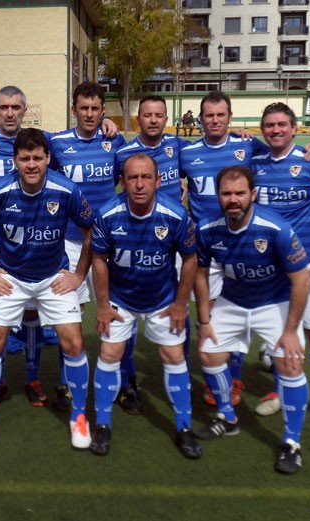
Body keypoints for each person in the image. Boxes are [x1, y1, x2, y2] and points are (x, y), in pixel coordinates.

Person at [181, 91, 310, 406]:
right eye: (209, 115)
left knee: (243, 308)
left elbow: (280, 148)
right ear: (200, 119)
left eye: (220, 115)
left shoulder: (247, 145)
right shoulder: (186, 152)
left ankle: (238, 380)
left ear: (230, 118)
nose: (214, 121)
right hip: (208, 245)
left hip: (244, 243)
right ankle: (223, 381)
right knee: (214, 315)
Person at [0, 128, 95, 448]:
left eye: (38, 157)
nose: (32, 164)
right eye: (25, 158)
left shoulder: (67, 190)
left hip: (53, 276)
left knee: (74, 342)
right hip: (11, 276)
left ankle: (79, 416)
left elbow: (91, 231)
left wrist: (78, 275)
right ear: (15, 161)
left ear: (49, 159)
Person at [194, 165, 310, 475]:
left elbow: (301, 280)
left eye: (240, 193)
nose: (233, 199)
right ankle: (227, 418)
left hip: (275, 303)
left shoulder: (276, 228)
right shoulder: (206, 229)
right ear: (218, 196)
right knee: (208, 351)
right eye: (227, 193)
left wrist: (290, 331)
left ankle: (291, 442)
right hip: (233, 300)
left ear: (253, 195)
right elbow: (201, 274)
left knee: (290, 361)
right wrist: (204, 318)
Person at [90, 154, 200, 458]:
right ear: (123, 182)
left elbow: (191, 258)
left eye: (146, 177)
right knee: (109, 352)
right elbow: (98, 259)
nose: (139, 184)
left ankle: (184, 427)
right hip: (121, 298)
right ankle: (102, 424)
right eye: (133, 178)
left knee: (173, 355)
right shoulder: (108, 214)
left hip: (162, 298)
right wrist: (102, 305)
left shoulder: (176, 215)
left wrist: (180, 303)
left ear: (158, 180)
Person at [251, 102, 310, 427]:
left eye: (281, 124)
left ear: (294, 128)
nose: (275, 130)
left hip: (308, 266)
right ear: (262, 130)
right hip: (271, 269)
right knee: (280, 335)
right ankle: (280, 390)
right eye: (269, 125)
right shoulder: (256, 162)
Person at [46, 81, 126, 410]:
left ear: (103, 111)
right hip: (70, 241)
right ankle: (68, 381)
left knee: (117, 311)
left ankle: (123, 379)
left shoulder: (115, 140)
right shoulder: (58, 143)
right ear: (74, 110)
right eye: (84, 108)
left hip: (107, 242)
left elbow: (131, 176)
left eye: (96, 109)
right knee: (72, 312)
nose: (90, 114)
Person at [112, 95, 191, 414]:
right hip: (132, 235)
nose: (154, 120)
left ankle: (179, 373)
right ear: (138, 119)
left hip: (170, 239)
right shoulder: (122, 152)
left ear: (166, 117)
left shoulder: (181, 146)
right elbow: (114, 189)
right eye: (147, 115)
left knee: (177, 310)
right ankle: (128, 380)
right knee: (126, 313)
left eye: (159, 114)